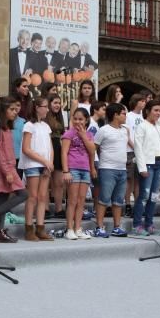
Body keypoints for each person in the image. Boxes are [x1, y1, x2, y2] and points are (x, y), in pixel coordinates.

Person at [0, 96, 27, 242]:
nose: (15, 111)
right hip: (4, 170)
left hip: (10, 167)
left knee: (3, 199)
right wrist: (7, 172)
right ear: (2, 110)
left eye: (15, 109)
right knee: (23, 194)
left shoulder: (7, 129)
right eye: (11, 109)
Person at [132, 97, 160, 236]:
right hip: (147, 165)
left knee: (154, 196)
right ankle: (137, 224)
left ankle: (149, 224)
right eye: (155, 110)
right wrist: (142, 168)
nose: (158, 113)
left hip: (159, 165)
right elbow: (138, 148)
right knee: (144, 195)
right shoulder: (142, 126)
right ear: (148, 111)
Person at [93, 102, 131, 238]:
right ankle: (99, 227)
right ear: (115, 115)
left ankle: (116, 227)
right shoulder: (103, 130)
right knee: (104, 199)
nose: (125, 116)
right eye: (123, 113)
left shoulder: (125, 130)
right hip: (107, 168)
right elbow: (93, 148)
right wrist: (93, 167)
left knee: (118, 200)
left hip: (122, 169)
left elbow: (132, 145)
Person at [20, 96, 55, 242]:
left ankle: (40, 227)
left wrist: (50, 163)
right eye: (45, 106)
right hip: (33, 164)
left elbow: (50, 147)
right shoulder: (29, 125)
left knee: (42, 197)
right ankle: (29, 228)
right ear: (37, 108)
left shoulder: (46, 126)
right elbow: (26, 149)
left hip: (45, 165)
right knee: (32, 197)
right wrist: (43, 160)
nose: (47, 109)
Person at [61, 107, 97, 240]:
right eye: (75, 119)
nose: (77, 122)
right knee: (72, 200)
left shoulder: (89, 135)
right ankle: (69, 229)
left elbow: (92, 151)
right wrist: (66, 171)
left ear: (86, 120)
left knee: (81, 201)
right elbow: (64, 153)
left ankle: (78, 228)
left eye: (80, 119)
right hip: (73, 169)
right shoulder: (68, 133)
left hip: (85, 169)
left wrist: (92, 168)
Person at [46, 93, 67, 220]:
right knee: (47, 181)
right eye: (55, 102)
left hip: (59, 148)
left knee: (59, 182)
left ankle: (59, 209)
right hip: (48, 147)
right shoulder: (45, 119)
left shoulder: (60, 117)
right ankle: (45, 208)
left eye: (59, 103)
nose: (57, 105)